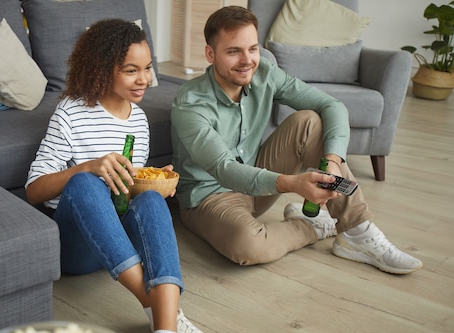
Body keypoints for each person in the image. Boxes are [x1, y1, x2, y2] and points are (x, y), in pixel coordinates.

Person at [25, 19, 222, 333]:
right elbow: (34, 189)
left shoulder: (139, 121)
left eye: (147, 67)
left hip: (118, 236)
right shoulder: (70, 114)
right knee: (84, 184)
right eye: (131, 69)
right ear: (101, 68)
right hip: (77, 245)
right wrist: (87, 167)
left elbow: (128, 190)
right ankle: (161, 307)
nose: (145, 78)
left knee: (150, 201)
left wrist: (151, 182)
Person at [170, 6, 422, 275]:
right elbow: (225, 170)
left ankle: (357, 230)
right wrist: (293, 184)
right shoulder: (189, 105)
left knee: (309, 121)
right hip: (210, 196)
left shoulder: (264, 73)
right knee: (248, 246)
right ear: (211, 54)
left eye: (252, 48)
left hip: (257, 181)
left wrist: (334, 161)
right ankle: (315, 226)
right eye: (233, 51)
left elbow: (331, 105)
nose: (247, 60)